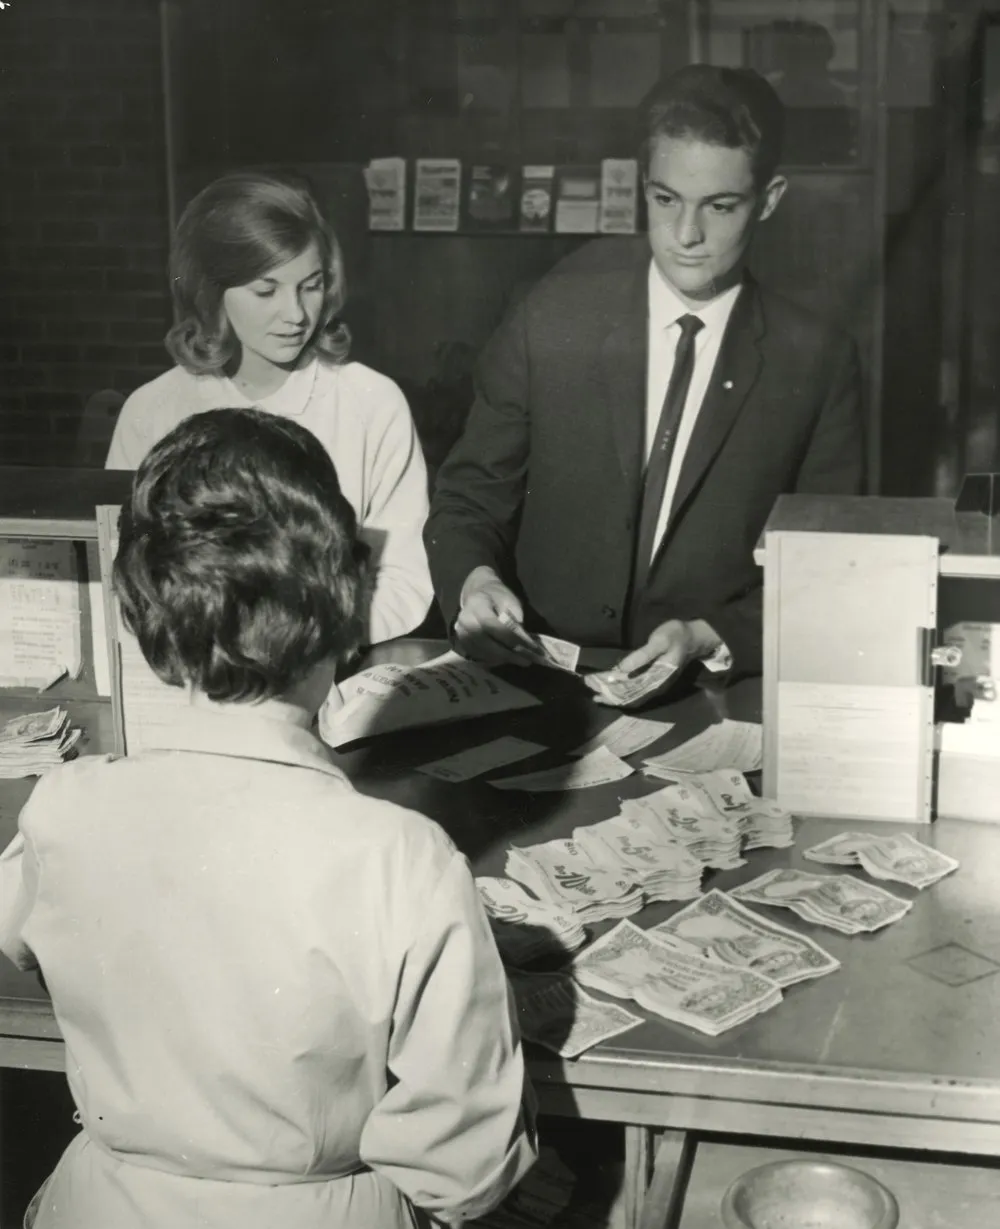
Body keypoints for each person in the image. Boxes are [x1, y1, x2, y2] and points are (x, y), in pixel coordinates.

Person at [0, 408, 536, 1229]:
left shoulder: (63, 804)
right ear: (345, 610)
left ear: (143, 614)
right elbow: (465, 1163)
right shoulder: (403, 857)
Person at [424, 64, 863, 698]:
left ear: (768, 201)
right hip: (540, 681)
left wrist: (713, 635)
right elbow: (468, 499)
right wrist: (475, 582)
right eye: (665, 200)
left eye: (719, 205)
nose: (687, 235)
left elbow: (827, 571)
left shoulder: (817, 359)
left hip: (705, 693)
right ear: (642, 186)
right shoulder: (552, 310)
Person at [106, 170, 433, 646]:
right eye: (266, 291)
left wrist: (303, 653)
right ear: (210, 293)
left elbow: (404, 578)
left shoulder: (372, 403)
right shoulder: (151, 410)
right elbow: (125, 575)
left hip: (330, 668)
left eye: (311, 285)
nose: (296, 314)